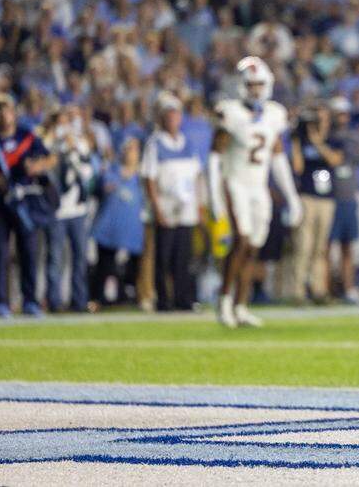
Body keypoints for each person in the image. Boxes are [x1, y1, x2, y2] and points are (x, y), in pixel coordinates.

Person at [208, 56, 303, 328]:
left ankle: (241, 305)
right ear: (240, 85)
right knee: (241, 240)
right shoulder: (231, 112)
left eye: (260, 84)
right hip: (235, 182)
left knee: (253, 247)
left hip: (259, 186)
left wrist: (291, 198)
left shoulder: (274, 114)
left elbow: (277, 158)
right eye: (251, 85)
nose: (256, 90)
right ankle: (224, 301)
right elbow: (214, 157)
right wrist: (215, 196)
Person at [0, 93, 57, 317]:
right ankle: (0, 301)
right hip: (0, 202)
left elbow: (50, 158)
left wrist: (36, 167)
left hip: (24, 200)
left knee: (28, 251)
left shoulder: (27, 137)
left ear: (13, 113)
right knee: (0, 252)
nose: (4, 116)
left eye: (6, 110)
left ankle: (30, 300)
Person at [141, 92, 205, 311]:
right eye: (169, 116)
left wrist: (198, 204)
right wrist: (156, 208)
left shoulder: (186, 142)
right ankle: (164, 300)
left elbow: (196, 175)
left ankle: (183, 299)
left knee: (183, 257)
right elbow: (149, 178)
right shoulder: (155, 144)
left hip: (186, 207)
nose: (173, 120)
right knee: (163, 257)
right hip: (166, 206)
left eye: (176, 115)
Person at [43, 104, 98, 313]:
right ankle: (54, 301)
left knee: (79, 258)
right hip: (57, 210)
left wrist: (74, 145)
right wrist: (58, 142)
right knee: (55, 258)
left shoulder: (81, 142)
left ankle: (79, 300)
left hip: (77, 209)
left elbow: (87, 172)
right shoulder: (49, 141)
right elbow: (45, 157)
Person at [286, 104, 343, 303]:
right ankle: (298, 291)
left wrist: (318, 142)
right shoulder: (301, 139)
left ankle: (319, 289)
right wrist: (295, 139)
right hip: (308, 196)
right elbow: (298, 167)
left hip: (327, 198)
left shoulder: (333, 139)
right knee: (303, 245)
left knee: (320, 247)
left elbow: (334, 160)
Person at [326, 97, 359, 304]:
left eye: (344, 114)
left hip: (349, 196)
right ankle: (326, 290)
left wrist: (352, 142)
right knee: (325, 247)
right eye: (338, 114)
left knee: (347, 247)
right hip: (329, 197)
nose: (341, 118)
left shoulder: (352, 137)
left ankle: (348, 288)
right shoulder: (325, 137)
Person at [89, 137, 145, 306]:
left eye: (134, 150)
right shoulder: (112, 170)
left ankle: (129, 296)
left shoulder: (142, 176)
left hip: (133, 230)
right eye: (128, 149)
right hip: (110, 228)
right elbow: (105, 187)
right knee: (105, 265)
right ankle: (98, 298)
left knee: (133, 267)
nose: (131, 153)